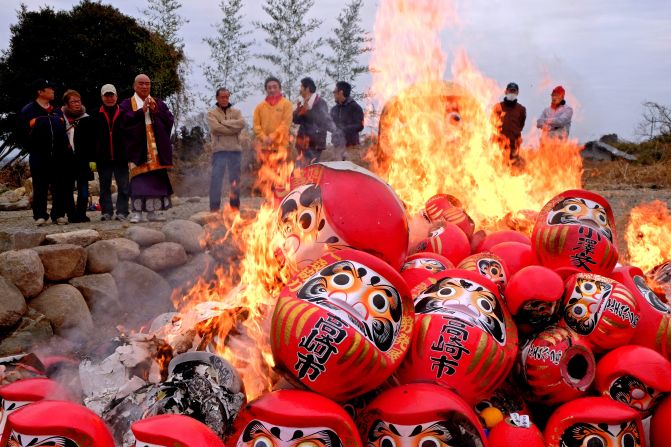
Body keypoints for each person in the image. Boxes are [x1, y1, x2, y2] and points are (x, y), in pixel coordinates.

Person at [120, 73, 174, 223]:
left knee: (155, 180)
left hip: (155, 146)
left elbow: (169, 119)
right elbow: (123, 122)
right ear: (134, 86)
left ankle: (152, 212)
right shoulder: (126, 104)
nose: (144, 86)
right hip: (137, 148)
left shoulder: (158, 102)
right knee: (139, 180)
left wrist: (156, 111)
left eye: (147, 83)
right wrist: (140, 112)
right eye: (141, 83)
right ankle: (137, 212)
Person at [15, 79, 69, 226]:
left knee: (59, 185)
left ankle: (58, 215)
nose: (53, 91)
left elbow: (63, 132)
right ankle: (40, 216)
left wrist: (64, 149)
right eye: (49, 88)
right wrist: (32, 148)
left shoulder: (57, 111)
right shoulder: (28, 111)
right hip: (39, 155)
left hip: (58, 156)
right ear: (40, 92)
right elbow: (21, 133)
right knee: (40, 186)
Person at [94, 84, 129, 221]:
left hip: (122, 157)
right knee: (104, 187)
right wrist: (93, 157)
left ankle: (122, 212)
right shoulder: (95, 114)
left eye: (111, 95)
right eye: (106, 95)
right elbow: (92, 138)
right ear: (102, 97)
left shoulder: (125, 113)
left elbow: (131, 135)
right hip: (103, 158)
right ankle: (106, 212)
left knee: (124, 186)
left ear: (116, 96)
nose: (109, 98)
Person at [207, 87, 246, 212]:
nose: (225, 99)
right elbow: (215, 128)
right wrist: (232, 128)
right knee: (216, 179)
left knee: (235, 180)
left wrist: (223, 123)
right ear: (217, 98)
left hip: (235, 151)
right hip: (219, 151)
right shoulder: (211, 113)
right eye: (222, 97)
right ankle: (214, 208)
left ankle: (235, 207)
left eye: (227, 97)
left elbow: (241, 124)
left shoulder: (236, 112)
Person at [62, 89, 95, 223]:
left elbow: (92, 141)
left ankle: (82, 213)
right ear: (67, 104)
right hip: (66, 158)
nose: (77, 104)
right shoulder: (61, 117)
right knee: (67, 188)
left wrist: (92, 159)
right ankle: (71, 214)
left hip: (83, 158)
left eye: (78, 101)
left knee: (83, 188)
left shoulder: (86, 118)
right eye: (73, 101)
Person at [293, 77, 339, 167]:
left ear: (307, 89)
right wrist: (299, 111)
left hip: (315, 144)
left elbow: (322, 120)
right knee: (299, 170)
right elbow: (296, 120)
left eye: (301, 87)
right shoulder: (302, 103)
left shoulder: (320, 103)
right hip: (302, 143)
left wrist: (307, 111)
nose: (300, 90)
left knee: (311, 170)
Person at [252, 77, 293, 153]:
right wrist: (264, 138)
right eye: (269, 88)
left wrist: (273, 136)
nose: (272, 90)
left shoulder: (287, 104)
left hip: (281, 147)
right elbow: (256, 126)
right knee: (263, 165)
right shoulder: (259, 107)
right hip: (264, 147)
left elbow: (286, 124)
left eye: (275, 87)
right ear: (266, 90)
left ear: (280, 89)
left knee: (283, 165)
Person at [491, 82, 526, 165]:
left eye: (514, 91)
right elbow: (492, 122)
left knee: (513, 167)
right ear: (506, 92)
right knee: (498, 166)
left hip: (514, 144)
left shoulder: (521, 109)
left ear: (517, 93)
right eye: (510, 91)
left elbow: (521, 124)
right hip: (499, 144)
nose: (512, 93)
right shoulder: (498, 107)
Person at [330, 81, 364, 161]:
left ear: (340, 92)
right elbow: (329, 124)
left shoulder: (355, 107)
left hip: (351, 148)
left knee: (349, 172)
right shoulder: (334, 109)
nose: (333, 93)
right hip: (337, 148)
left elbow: (360, 125)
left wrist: (343, 129)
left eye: (335, 91)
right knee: (336, 171)